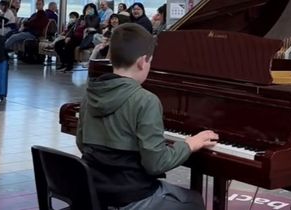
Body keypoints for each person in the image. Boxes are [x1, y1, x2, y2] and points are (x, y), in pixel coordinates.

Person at [76, 23, 218, 210]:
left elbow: (81, 143)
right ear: (143, 61)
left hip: (95, 191)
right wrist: (189, 144)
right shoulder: (145, 100)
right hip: (132, 197)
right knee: (194, 201)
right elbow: (156, 164)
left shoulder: (90, 94)